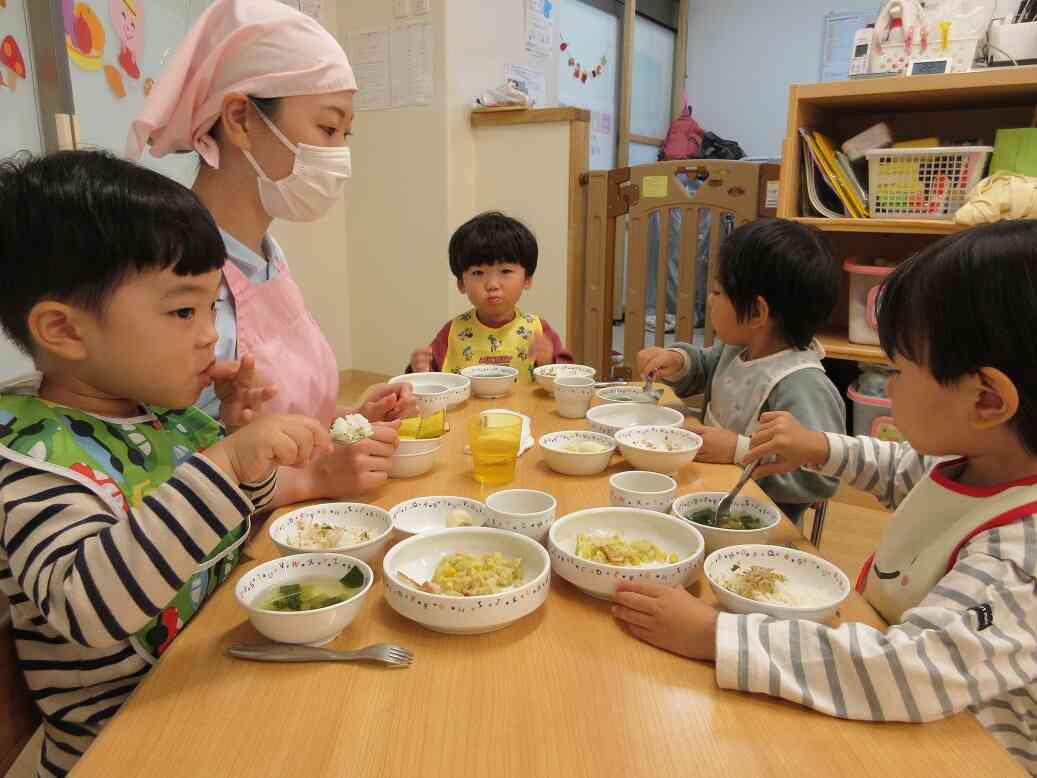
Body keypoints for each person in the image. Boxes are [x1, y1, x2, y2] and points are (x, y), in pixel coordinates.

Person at [614, 220, 1037, 773]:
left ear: (987, 400)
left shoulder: (1017, 558)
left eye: (898, 371)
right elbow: (898, 467)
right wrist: (818, 447)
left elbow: (903, 671)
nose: (887, 387)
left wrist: (715, 635)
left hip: (957, 748)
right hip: (891, 689)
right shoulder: (975, 463)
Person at [0, 150, 332, 777]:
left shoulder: (159, 414)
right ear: (64, 331)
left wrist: (239, 447)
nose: (210, 334)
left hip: (210, 684)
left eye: (212, 306)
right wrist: (224, 460)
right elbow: (89, 607)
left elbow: (235, 517)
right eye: (184, 310)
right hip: (127, 745)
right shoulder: (32, 461)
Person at [126, 0, 410, 505]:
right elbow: (170, 473)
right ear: (239, 119)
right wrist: (315, 478)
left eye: (345, 135)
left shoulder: (265, 254)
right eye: (327, 129)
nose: (338, 156)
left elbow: (271, 416)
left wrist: (346, 423)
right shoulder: (173, 275)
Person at [637, 218, 844, 522]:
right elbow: (706, 366)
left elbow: (821, 478)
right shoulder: (737, 348)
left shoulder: (801, 384)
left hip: (757, 525)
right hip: (704, 491)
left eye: (718, 292)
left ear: (758, 312)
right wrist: (677, 361)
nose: (709, 300)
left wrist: (738, 450)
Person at [408, 211, 573, 381]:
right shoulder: (452, 332)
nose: (492, 285)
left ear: (527, 280)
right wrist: (420, 369)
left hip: (524, 408)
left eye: (506, 271)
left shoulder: (538, 329)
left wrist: (548, 361)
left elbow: (567, 379)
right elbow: (428, 383)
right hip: (468, 408)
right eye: (478, 273)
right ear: (461, 284)